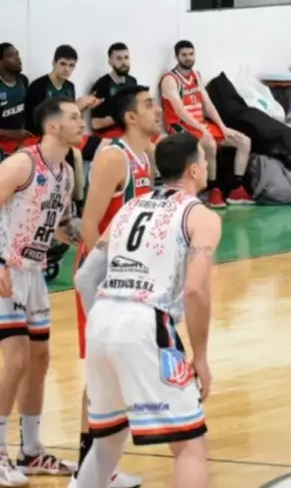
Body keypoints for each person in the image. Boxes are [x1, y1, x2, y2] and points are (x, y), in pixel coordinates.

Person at [72, 133, 219, 488]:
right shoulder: (200, 215)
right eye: (204, 159)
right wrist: (200, 356)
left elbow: (84, 277)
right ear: (194, 169)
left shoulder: (130, 207)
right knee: (190, 446)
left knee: (107, 442)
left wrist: (106, 326)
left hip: (102, 320)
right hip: (145, 323)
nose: (206, 166)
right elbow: (195, 290)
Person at [70, 86, 158, 488]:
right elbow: (89, 225)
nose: (156, 110)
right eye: (148, 105)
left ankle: (102, 469)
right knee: (101, 368)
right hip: (100, 274)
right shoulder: (113, 157)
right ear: (130, 117)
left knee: (114, 371)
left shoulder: (145, 156)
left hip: (127, 275)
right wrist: (105, 278)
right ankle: (86, 471)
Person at [0, 98, 83, 483]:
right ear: (52, 127)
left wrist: (94, 237)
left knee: (39, 359)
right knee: (15, 360)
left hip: (34, 274)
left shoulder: (66, 172)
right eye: (74, 117)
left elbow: (61, 226)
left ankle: (31, 451)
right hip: (7, 269)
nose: (81, 123)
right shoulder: (22, 163)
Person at [160, 40, 254, 208]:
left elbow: (208, 104)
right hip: (180, 126)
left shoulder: (196, 75)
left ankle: (236, 189)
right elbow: (179, 111)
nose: (188, 58)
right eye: (184, 55)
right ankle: (212, 190)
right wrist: (201, 129)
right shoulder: (170, 79)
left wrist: (222, 127)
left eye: (191, 54)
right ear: (176, 57)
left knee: (244, 141)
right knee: (209, 144)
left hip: (200, 124)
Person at [25, 45, 97, 203]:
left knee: (105, 146)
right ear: (54, 63)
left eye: (71, 65)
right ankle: (75, 201)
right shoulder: (38, 86)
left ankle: (86, 200)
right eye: (63, 64)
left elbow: (71, 117)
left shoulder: (69, 87)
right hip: (42, 135)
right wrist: (77, 105)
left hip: (65, 134)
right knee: (74, 155)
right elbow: (36, 120)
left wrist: (84, 107)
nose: (67, 69)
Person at [0, 43, 34, 160]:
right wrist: (10, 133)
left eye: (17, 54)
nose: (18, 59)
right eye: (11, 55)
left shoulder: (23, 80)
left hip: (20, 141)